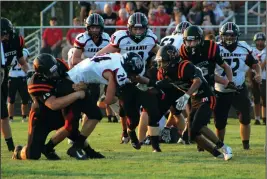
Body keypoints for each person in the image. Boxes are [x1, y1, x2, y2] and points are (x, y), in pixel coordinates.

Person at [137, 45, 232, 160]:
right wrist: (145, 88)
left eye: (163, 62)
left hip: (206, 96)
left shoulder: (185, 66)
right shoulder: (163, 72)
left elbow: (197, 81)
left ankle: (225, 148)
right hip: (194, 99)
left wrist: (186, 95)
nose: (161, 65)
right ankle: (218, 154)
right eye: (160, 62)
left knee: (198, 125)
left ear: (172, 60)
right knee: (191, 134)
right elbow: (159, 85)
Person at [96, 12, 161, 145]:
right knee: (128, 112)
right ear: (129, 28)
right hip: (123, 79)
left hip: (141, 78)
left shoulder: (150, 38)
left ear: (146, 28)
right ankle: (128, 131)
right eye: (135, 28)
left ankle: (153, 143)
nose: (138, 31)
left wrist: (159, 61)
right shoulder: (120, 38)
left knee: (151, 108)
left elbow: (160, 52)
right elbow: (101, 55)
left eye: (140, 28)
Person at [12, 53, 88, 160]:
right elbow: (54, 104)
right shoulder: (35, 82)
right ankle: (19, 151)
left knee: (74, 132)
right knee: (32, 155)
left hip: (59, 114)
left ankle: (49, 149)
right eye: (50, 73)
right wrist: (77, 94)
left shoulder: (60, 65)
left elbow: (73, 80)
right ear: (41, 74)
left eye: (55, 70)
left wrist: (81, 85)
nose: (55, 74)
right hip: (41, 117)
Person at [214, 22, 262, 150]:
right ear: (221, 35)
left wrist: (258, 73)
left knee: (245, 118)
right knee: (219, 122)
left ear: (237, 36)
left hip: (239, 88)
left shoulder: (243, 48)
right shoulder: (215, 48)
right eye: (227, 35)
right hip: (221, 90)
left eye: (232, 35)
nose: (229, 38)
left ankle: (246, 145)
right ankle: (220, 146)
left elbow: (255, 64)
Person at [1, 17, 30, 152]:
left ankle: (10, 147)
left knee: (4, 115)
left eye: (5, 34)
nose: (3, 37)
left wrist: (29, 73)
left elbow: (21, 60)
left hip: (4, 77)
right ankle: (11, 147)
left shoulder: (16, 40)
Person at [8, 48, 31, 123]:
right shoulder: (24, 51)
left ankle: (11, 118)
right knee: (22, 99)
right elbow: (26, 62)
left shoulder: (11, 50)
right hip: (19, 77)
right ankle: (23, 118)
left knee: (14, 100)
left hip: (13, 77)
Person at [251, 32, 266, 125]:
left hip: (265, 77)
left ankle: (265, 117)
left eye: (262, 40)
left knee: (265, 98)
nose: (260, 42)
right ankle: (257, 118)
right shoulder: (251, 51)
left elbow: (262, 67)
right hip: (254, 77)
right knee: (256, 99)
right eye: (258, 40)